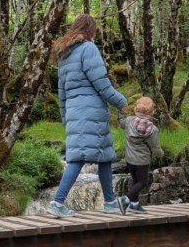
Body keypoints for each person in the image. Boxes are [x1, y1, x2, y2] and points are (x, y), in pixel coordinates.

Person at [48, 15, 127, 217]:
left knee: (105, 156)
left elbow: (62, 91)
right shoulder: (88, 48)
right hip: (90, 110)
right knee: (78, 158)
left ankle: (109, 201)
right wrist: (120, 101)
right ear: (90, 29)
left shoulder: (64, 55)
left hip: (76, 112)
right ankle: (57, 202)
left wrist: (65, 115)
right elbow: (101, 82)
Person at [117, 96, 164, 214]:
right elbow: (155, 148)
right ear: (151, 111)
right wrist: (161, 154)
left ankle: (134, 204)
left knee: (135, 181)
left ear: (136, 109)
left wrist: (121, 111)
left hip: (129, 159)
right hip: (142, 162)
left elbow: (121, 123)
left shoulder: (128, 121)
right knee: (142, 182)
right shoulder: (153, 129)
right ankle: (126, 199)